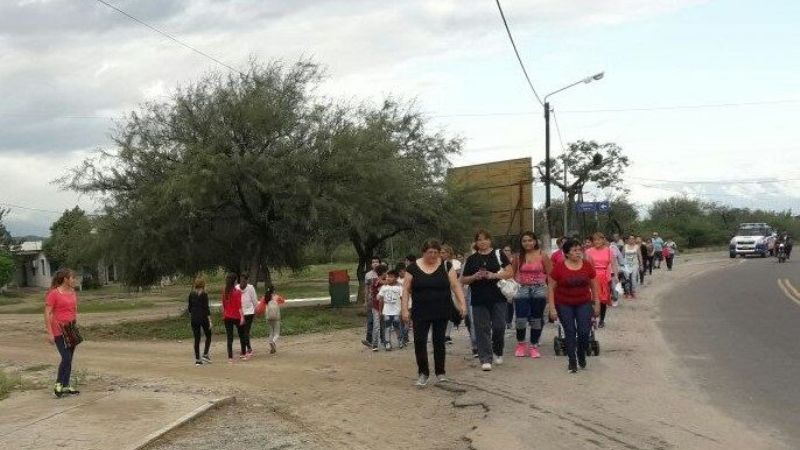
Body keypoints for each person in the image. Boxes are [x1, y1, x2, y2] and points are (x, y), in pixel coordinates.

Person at [402, 239, 467, 386]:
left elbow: (455, 286)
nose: (433, 255)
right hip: (420, 311)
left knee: (439, 341)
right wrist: (404, 309)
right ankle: (423, 373)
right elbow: (405, 290)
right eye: (429, 252)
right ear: (423, 252)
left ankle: (440, 372)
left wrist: (463, 304)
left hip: (441, 309)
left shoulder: (446, 265)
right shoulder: (412, 268)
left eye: (436, 252)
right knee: (419, 342)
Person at [461, 230, 514, 371]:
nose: (482, 242)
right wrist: (474, 277)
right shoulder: (472, 259)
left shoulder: (498, 254)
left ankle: (498, 350)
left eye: (485, 239)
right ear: (476, 242)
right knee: (481, 328)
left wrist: (494, 275)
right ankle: (485, 358)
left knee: (499, 326)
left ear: (490, 240)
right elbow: (463, 279)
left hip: (498, 296)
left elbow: (510, 272)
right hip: (479, 298)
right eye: (479, 239)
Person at [547, 239, 600, 373]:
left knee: (584, 332)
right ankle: (572, 361)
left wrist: (597, 303)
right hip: (564, 303)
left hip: (583, 302)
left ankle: (581, 353)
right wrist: (552, 308)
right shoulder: (559, 267)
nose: (578, 252)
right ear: (567, 253)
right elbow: (551, 288)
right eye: (574, 250)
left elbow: (594, 285)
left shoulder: (587, 265)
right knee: (570, 332)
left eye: (579, 249)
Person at [512, 232, 551, 358]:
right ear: (521, 243)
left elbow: (551, 275)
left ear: (535, 241)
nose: (527, 243)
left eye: (530, 240)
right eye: (524, 241)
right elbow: (512, 274)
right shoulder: (518, 257)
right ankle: (521, 344)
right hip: (522, 289)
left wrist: (550, 293)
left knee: (537, 319)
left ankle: (534, 345)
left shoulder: (543, 255)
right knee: (520, 319)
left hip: (539, 289)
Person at [44, 268, 81, 397]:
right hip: (58, 329)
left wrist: (75, 324)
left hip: (71, 328)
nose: (74, 280)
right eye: (72, 278)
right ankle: (58, 384)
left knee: (69, 359)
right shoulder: (54, 293)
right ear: (65, 279)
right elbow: (47, 313)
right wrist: (50, 333)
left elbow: (74, 309)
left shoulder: (72, 292)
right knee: (66, 357)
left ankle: (65, 386)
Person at [585, 232, 617, 329]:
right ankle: (592, 318)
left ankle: (602, 320)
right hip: (592, 277)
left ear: (603, 240)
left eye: (599, 239)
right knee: (591, 299)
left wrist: (615, 276)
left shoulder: (609, 251)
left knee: (603, 300)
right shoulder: (588, 251)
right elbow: (585, 265)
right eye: (595, 240)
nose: (597, 241)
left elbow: (614, 264)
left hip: (604, 277)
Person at [188, 276, 212, 366]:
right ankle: (205, 354)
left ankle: (198, 360)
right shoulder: (204, 294)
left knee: (197, 339)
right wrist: (210, 320)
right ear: (203, 284)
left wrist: (193, 314)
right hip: (203, 318)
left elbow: (189, 308)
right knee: (208, 335)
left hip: (194, 318)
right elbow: (206, 308)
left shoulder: (191, 294)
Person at [440, 245, 462, 344]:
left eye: (444, 252)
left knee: (450, 313)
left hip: (451, 291)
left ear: (449, 253)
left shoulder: (454, 263)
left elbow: (457, 275)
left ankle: (447, 335)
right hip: (440, 292)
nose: (441, 254)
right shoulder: (436, 264)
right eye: (440, 252)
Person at [221, 273, 244, 363]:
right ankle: (243, 353)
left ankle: (230, 357)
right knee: (241, 334)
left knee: (229, 337)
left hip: (227, 317)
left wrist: (225, 314)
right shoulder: (237, 292)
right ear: (234, 281)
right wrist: (242, 317)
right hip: (236, 316)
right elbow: (239, 306)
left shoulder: (224, 292)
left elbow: (223, 305)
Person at [378, 270, 403, 350]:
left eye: (391, 277)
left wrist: (403, 310)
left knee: (397, 327)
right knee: (387, 327)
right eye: (387, 276)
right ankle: (387, 343)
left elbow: (403, 299)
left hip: (396, 311)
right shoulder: (383, 287)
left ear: (396, 278)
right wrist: (380, 311)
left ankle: (400, 340)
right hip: (386, 312)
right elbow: (381, 300)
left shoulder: (399, 288)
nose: (388, 278)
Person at [362, 256, 382, 348]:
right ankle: (369, 340)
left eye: (377, 262)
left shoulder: (383, 274)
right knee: (370, 320)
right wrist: (365, 301)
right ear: (371, 264)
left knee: (382, 321)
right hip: (371, 301)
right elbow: (366, 289)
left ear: (380, 263)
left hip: (382, 301)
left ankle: (384, 339)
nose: (375, 264)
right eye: (373, 262)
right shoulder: (368, 275)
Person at [238, 274, 258, 358]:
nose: (242, 283)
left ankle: (247, 349)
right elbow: (254, 300)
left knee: (244, 331)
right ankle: (246, 348)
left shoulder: (249, 288)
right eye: (241, 280)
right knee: (243, 332)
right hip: (244, 313)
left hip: (246, 313)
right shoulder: (239, 288)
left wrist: (256, 310)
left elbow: (254, 300)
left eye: (243, 281)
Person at [369, 265, 388, 351]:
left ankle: (384, 341)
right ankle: (375, 344)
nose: (387, 274)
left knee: (383, 325)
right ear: (383, 273)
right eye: (386, 272)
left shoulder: (384, 280)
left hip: (384, 306)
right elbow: (380, 283)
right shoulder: (375, 281)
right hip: (376, 306)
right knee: (377, 326)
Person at [262, 285, 282, 354]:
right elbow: (283, 301)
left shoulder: (266, 297)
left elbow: (262, 304)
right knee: (277, 333)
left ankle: (272, 347)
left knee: (271, 333)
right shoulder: (277, 297)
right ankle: (273, 341)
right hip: (276, 317)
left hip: (268, 317)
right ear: (273, 290)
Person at [502, 245, 515, 330]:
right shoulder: (500, 261)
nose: (507, 252)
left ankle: (509, 321)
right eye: (505, 250)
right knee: (504, 303)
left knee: (510, 304)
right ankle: (505, 321)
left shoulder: (514, 261)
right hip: (502, 284)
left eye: (508, 250)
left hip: (512, 284)